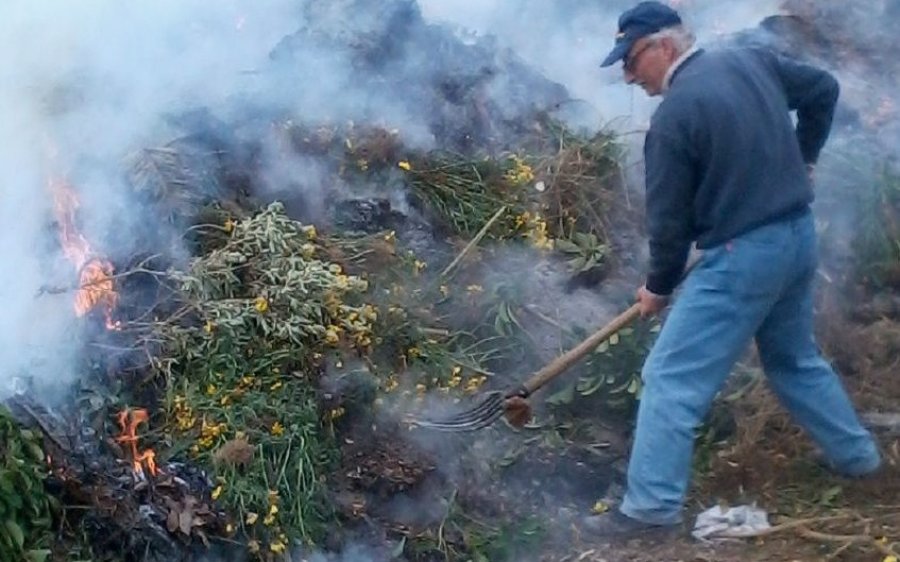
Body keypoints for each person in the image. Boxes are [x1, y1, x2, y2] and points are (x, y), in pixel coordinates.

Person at [584, 0, 882, 538]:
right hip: (795, 239)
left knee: (670, 378)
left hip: (741, 261)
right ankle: (858, 460)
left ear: (663, 47)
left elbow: (669, 225)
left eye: (630, 61)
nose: (628, 77)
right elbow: (823, 91)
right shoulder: (749, 60)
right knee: (793, 359)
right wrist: (805, 157)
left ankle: (649, 512)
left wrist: (657, 287)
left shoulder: (673, 120)